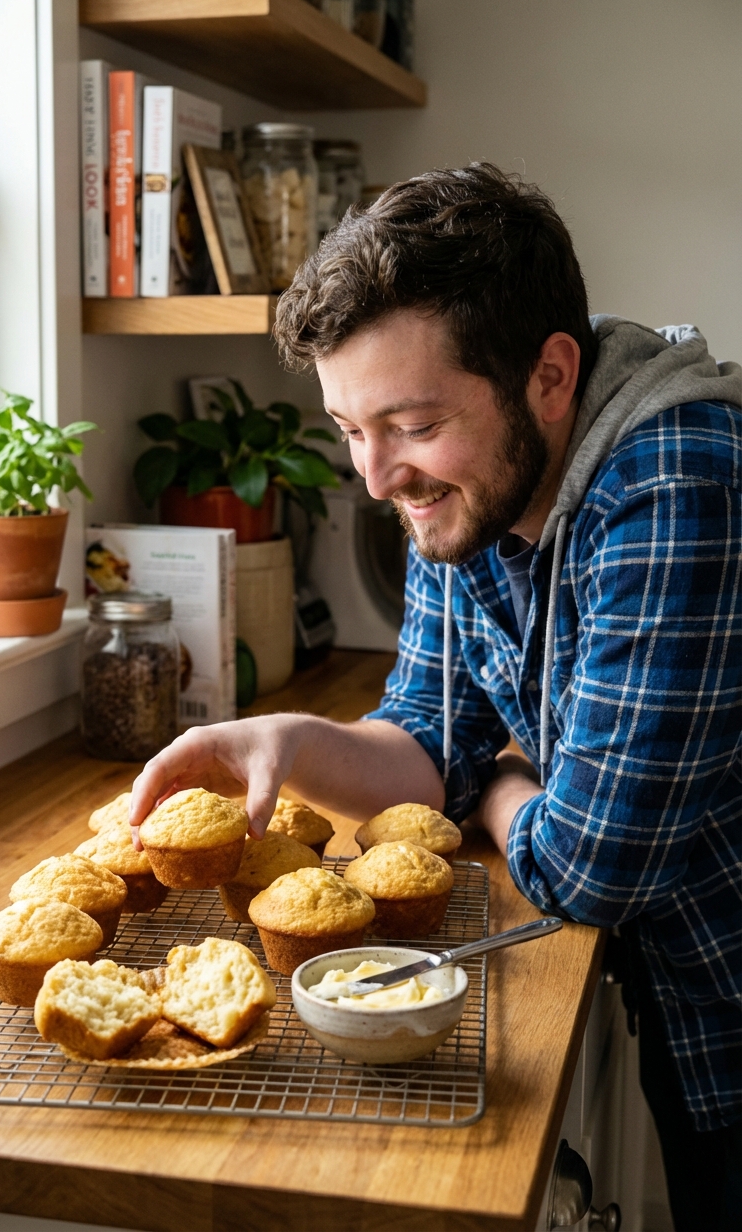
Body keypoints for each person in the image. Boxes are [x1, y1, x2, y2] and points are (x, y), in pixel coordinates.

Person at [129, 165, 741, 1231]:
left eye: (407, 425)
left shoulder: (673, 481)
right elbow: (426, 738)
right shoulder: (469, 490)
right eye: (347, 428)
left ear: (549, 375)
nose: (374, 478)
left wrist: (504, 782)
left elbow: (589, 867)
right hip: (688, 1003)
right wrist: (287, 736)